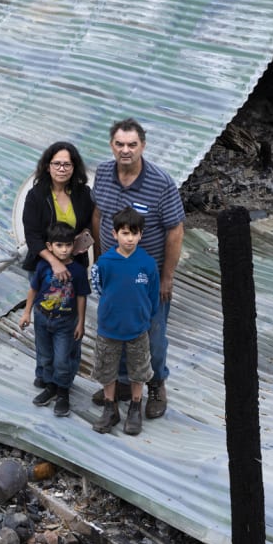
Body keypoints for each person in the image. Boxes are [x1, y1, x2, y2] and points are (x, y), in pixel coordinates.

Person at [90, 118, 184, 419]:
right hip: (114, 274)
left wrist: (167, 277)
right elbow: (98, 214)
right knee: (115, 331)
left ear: (143, 146)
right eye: (120, 144)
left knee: (152, 335)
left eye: (132, 144)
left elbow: (175, 231)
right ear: (111, 146)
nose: (125, 150)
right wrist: (98, 256)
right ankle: (120, 384)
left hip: (148, 277)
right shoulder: (104, 173)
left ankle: (156, 384)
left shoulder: (161, 183)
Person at [20, 140, 95, 388]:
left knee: (68, 320)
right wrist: (53, 261)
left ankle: (64, 377)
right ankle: (45, 371)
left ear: (74, 167)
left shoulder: (83, 194)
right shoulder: (37, 195)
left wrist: (82, 244)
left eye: (67, 164)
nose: (62, 168)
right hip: (44, 261)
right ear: (48, 166)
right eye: (57, 163)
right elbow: (31, 235)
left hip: (74, 264)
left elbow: (89, 224)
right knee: (46, 317)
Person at [89, 207, 160, 436]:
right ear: (114, 234)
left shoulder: (147, 264)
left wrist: (144, 317)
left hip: (138, 329)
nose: (129, 238)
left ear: (141, 235)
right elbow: (99, 289)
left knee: (138, 371)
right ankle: (110, 408)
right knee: (106, 369)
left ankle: (135, 407)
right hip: (109, 328)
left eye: (134, 233)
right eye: (125, 233)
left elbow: (152, 294)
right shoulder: (104, 262)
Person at [18, 222, 89, 417]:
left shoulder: (78, 271)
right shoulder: (43, 266)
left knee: (62, 359)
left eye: (67, 245)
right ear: (50, 246)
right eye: (59, 245)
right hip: (42, 318)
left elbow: (82, 296)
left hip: (66, 323)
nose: (64, 249)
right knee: (45, 355)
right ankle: (50, 387)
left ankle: (63, 393)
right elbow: (33, 289)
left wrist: (81, 322)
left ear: (73, 246)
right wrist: (26, 313)